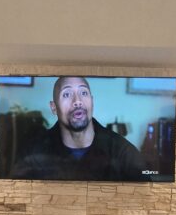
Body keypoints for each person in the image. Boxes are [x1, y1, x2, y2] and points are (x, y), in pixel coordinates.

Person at [9, 76, 148, 181]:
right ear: (54, 107)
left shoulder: (124, 152)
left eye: (83, 93)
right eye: (67, 94)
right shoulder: (33, 151)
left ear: (92, 101)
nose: (77, 101)